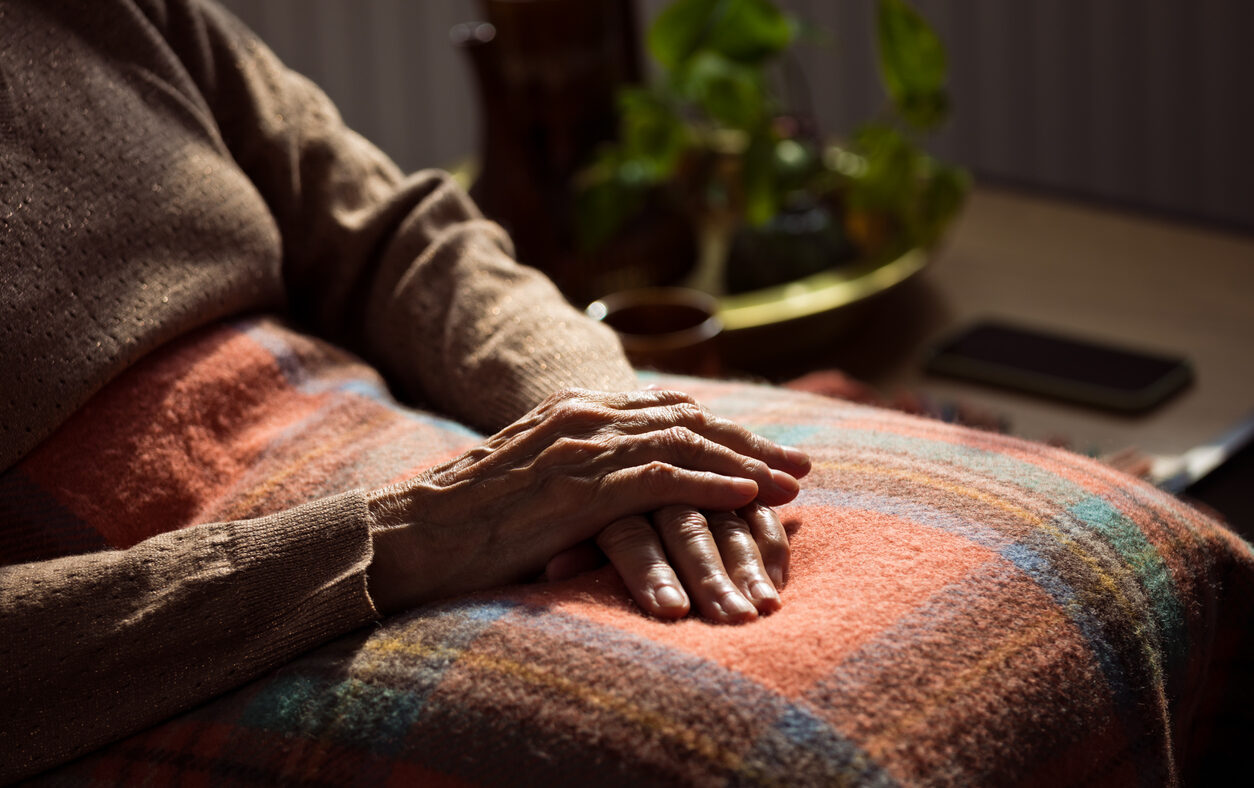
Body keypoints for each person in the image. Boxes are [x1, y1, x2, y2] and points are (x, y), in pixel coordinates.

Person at [0, 0, 808, 778]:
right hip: (181, 651)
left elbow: (399, 239)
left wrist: (605, 418)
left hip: (439, 461)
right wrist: (400, 539)